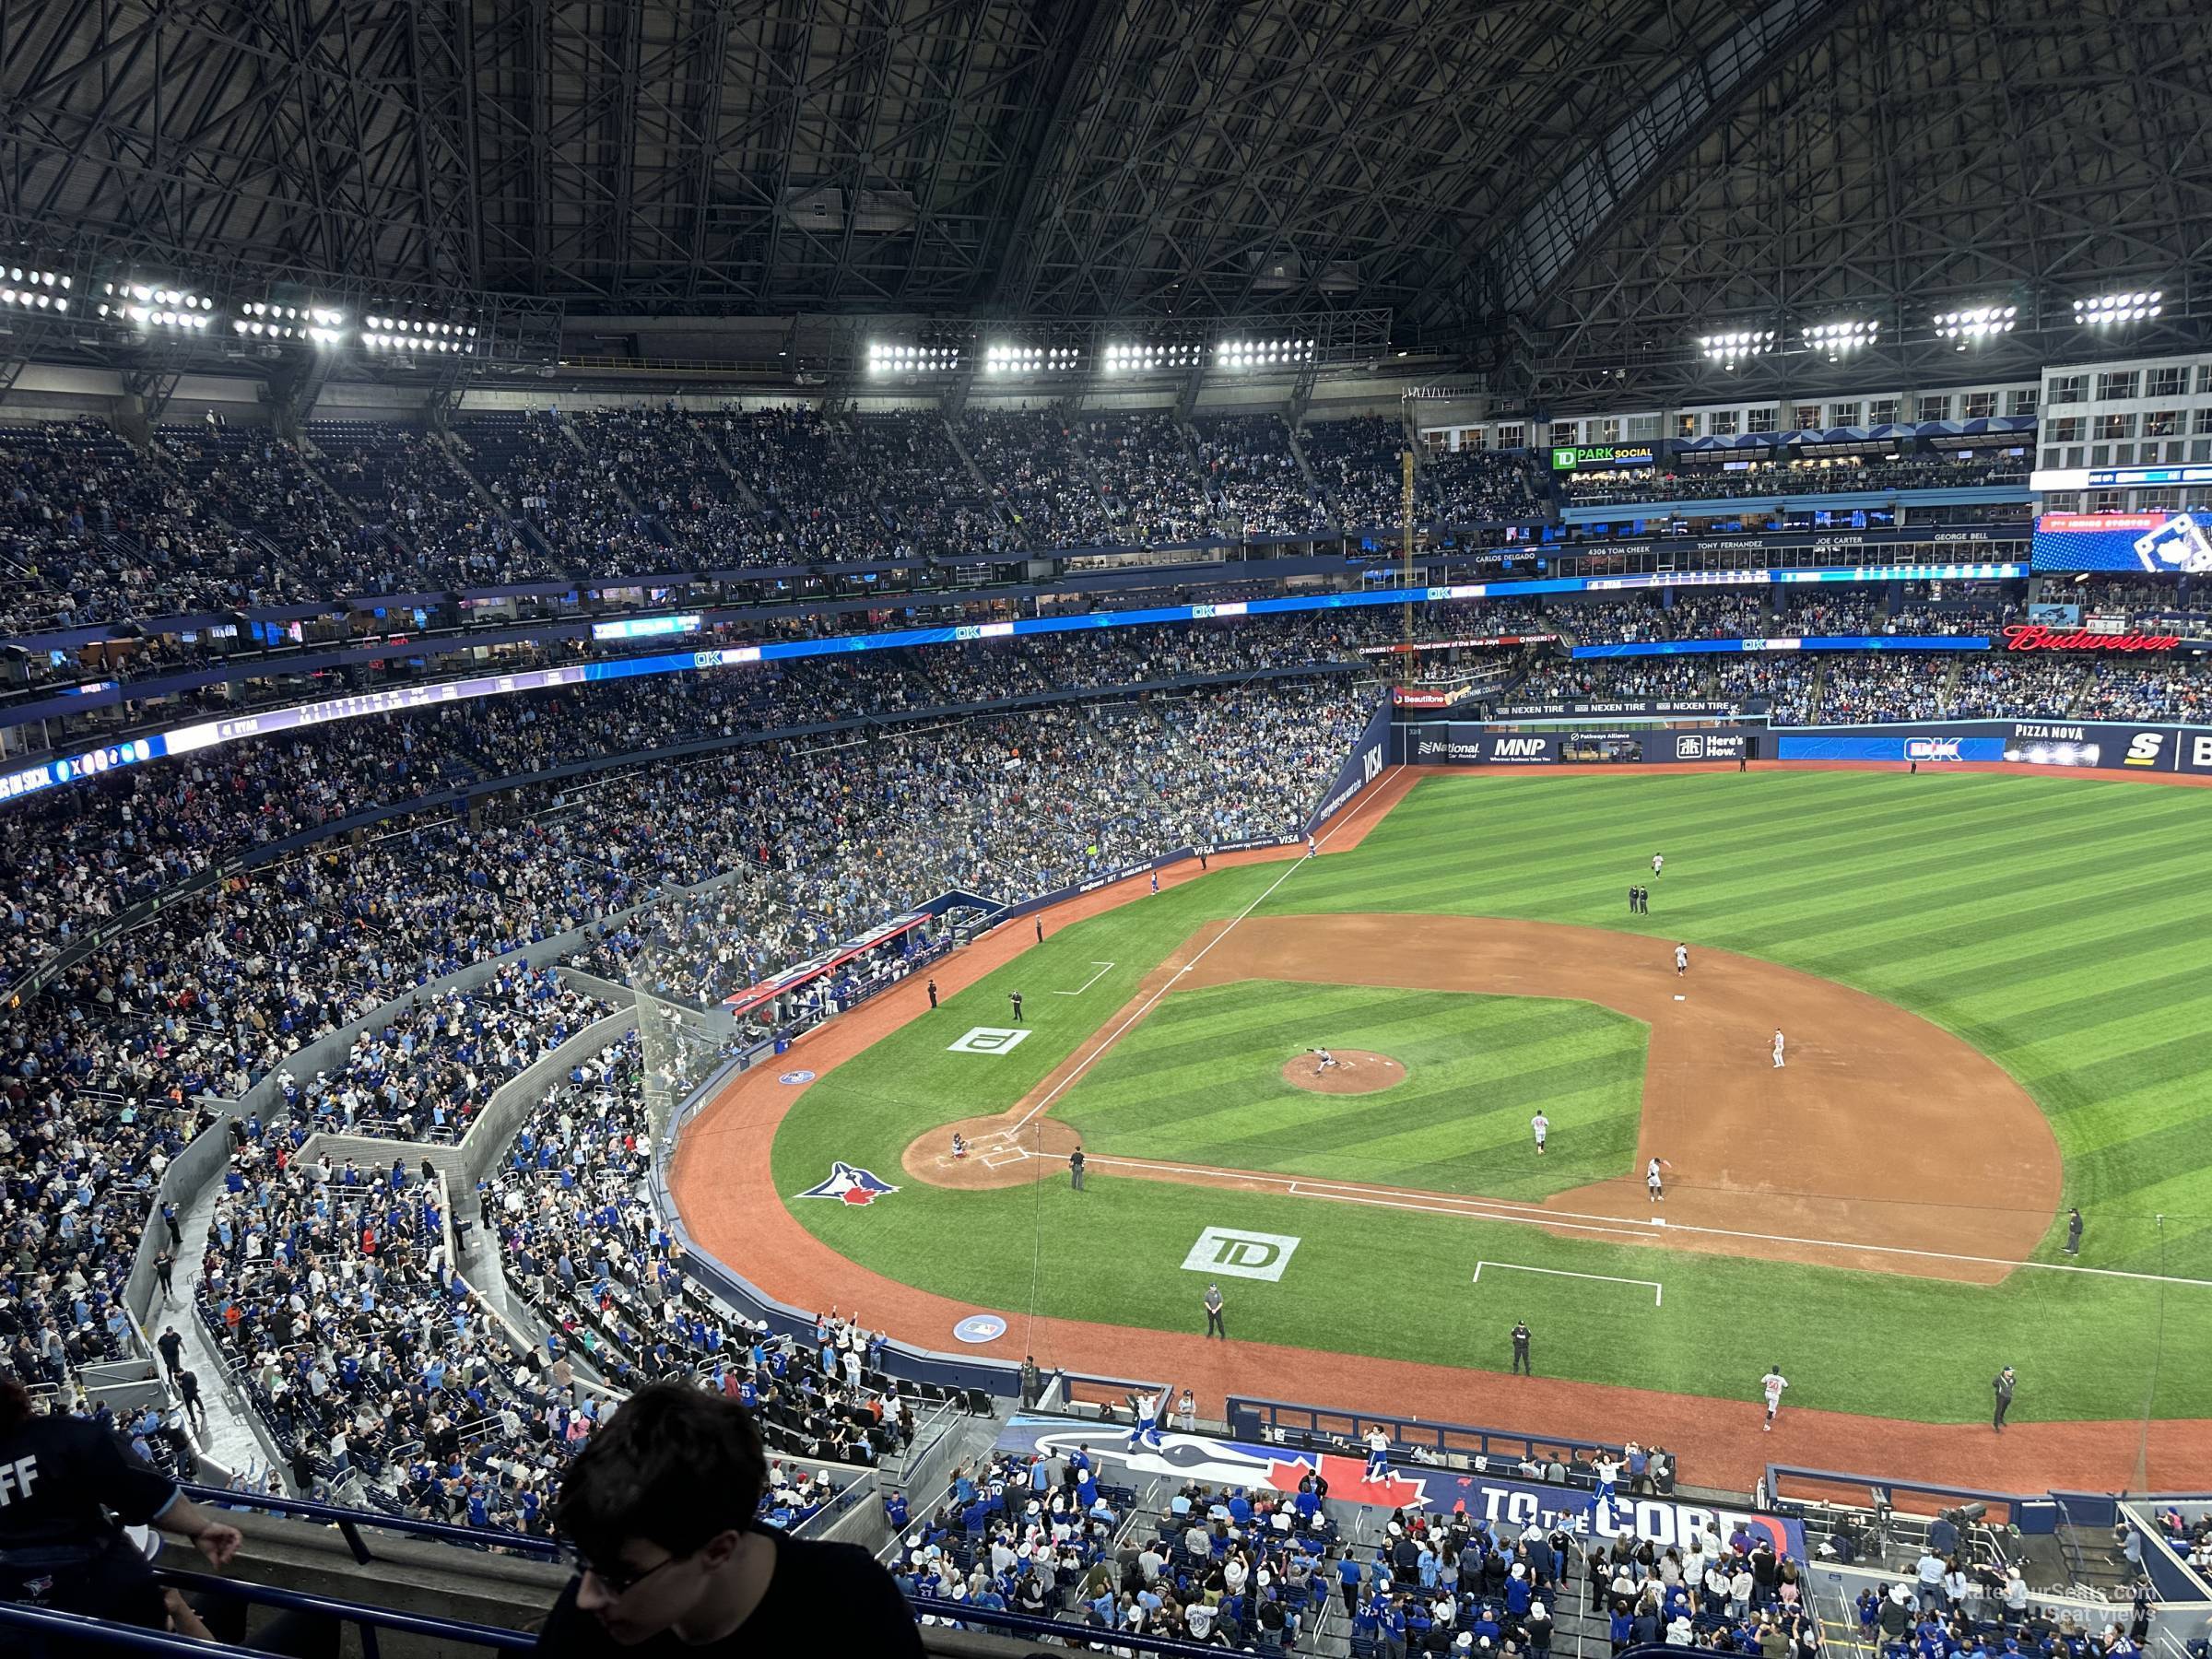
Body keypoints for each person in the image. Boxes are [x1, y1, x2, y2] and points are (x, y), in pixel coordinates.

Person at [533, 1383, 923, 1654]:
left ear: (718, 1551)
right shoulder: (585, 1623)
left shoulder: (851, 1601)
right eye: (583, 1561)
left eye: (619, 1575)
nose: (585, 1596)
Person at [0, 1368, 242, 1631]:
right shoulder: (62, 1436)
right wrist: (201, 1528)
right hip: (113, 1606)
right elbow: (149, 1497)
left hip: (26, 1620)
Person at [1760, 1366, 1788, 1432]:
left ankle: (1772, 1412)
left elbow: (1762, 1382)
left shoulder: (1768, 1376)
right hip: (1775, 1396)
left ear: (1772, 1370)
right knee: (1770, 1412)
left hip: (1767, 1393)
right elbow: (1786, 1386)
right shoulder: (1781, 1379)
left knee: (1769, 1403)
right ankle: (1766, 1426)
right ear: (1778, 1371)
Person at [1992, 1366, 2016, 1432]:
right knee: (1998, 1409)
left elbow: (2013, 1384)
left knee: (2004, 1408)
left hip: (2008, 1397)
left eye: (2012, 1371)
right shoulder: (1999, 1378)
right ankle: (1995, 1424)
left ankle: (2000, 1419)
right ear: (2005, 1372)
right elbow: (1994, 1383)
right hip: (2001, 1396)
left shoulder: (2013, 1379)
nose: (2011, 1373)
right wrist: (1999, 1389)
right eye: (2010, 1371)